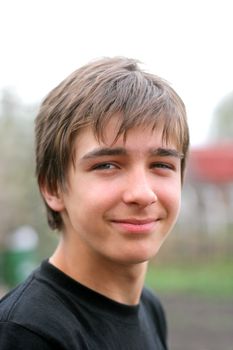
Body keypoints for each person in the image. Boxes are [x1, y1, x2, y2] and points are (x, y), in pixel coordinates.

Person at [0, 57, 189, 349]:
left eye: (161, 165)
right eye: (108, 166)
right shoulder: (26, 333)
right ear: (53, 187)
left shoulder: (149, 308)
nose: (142, 193)